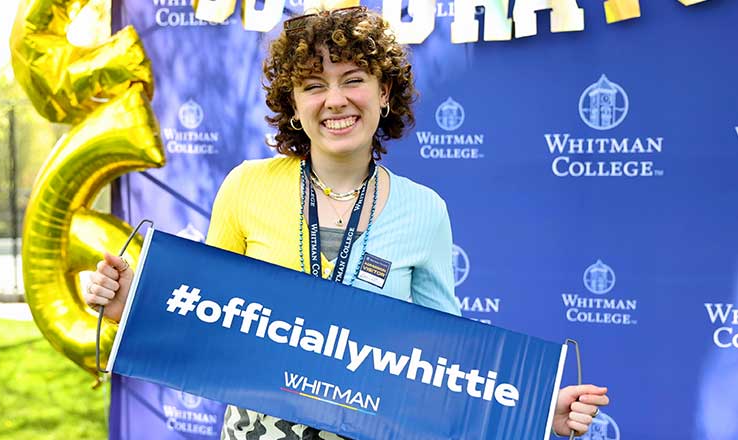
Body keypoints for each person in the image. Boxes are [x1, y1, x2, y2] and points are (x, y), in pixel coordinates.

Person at [85, 6, 609, 439]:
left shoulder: (423, 210)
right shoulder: (246, 187)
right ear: (293, 104)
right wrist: (129, 303)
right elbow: (201, 317)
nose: (335, 100)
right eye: (313, 85)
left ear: (384, 93)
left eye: (353, 80)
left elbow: (449, 364)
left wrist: (539, 411)